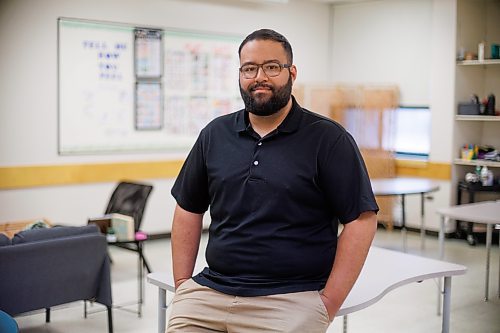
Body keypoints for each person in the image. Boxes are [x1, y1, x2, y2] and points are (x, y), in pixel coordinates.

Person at [168, 28, 379, 333]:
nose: (259, 77)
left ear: (291, 72)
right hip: (209, 292)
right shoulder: (215, 134)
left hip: (289, 299)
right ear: (240, 74)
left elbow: (361, 220)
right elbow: (188, 207)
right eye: (249, 68)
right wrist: (182, 285)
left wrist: (329, 302)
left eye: (271, 67)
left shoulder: (327, 139)